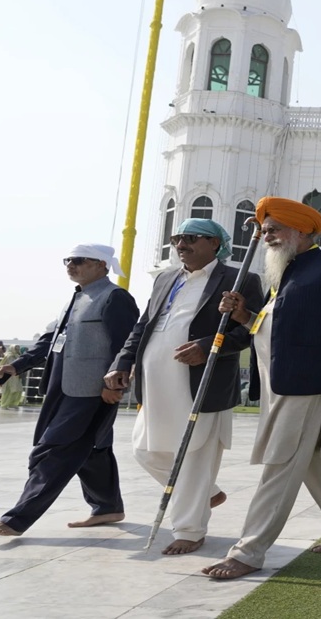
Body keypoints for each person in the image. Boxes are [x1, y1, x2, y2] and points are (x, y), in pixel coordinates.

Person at [202, 197, 321, 579]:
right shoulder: (284, 273)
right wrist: (245, 314)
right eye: (264, 231)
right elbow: (271, 331)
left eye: (274, 229)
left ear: (301, 230)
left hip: (309, 384)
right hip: (280, 385)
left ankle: (248, 551)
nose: (267, 237)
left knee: (279, 463)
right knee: (310, 457)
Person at [105, 218, 264, 555]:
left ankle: (190, 531)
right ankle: (207, 494)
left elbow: (251, 330)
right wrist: (122, 361)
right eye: (178, 238)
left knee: (194, 456)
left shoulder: (241, 279)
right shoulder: (166, 278)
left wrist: (209, 347)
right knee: (145, 450)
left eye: (192, 238)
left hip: (201, 384)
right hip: (156, 383)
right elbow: (144, 325)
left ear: (215, 245)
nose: (181, 244)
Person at [0, 244, 139, 536]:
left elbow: (127, 346)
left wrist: (114, 386)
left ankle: (17, 519)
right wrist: (14, 367)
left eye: (78, 260)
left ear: (102, 265)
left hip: (93, 392)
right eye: (67, 260)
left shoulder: (115, 297)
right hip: (61, 389)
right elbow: (48, 343)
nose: (70, 265)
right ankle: (108, 507)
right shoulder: (76, 298)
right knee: (93, 449)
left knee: (52, 451)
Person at [0, 345, 26, 409]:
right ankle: (4, 404)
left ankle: (14, 404)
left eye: (18, 348)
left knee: (18, 390)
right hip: (8, 377)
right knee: (8, 391)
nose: (17, 350)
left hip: (16, 376)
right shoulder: (8, 356)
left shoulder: (18, 356)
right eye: (16, 348)